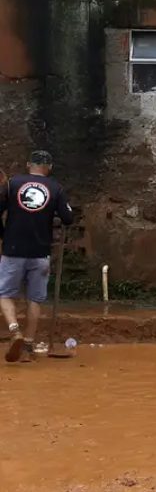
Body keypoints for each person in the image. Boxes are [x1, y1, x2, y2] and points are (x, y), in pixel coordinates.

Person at [0, 150, 74, 363]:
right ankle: (28, 345)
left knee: (4, 294)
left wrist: (2, 234)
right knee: (34, 299)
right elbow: (68, 218)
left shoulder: (12, 184)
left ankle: (14, 330)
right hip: (40, 252)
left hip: (13, 250)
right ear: (49, 167)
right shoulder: (56, 188)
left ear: (28, 164)